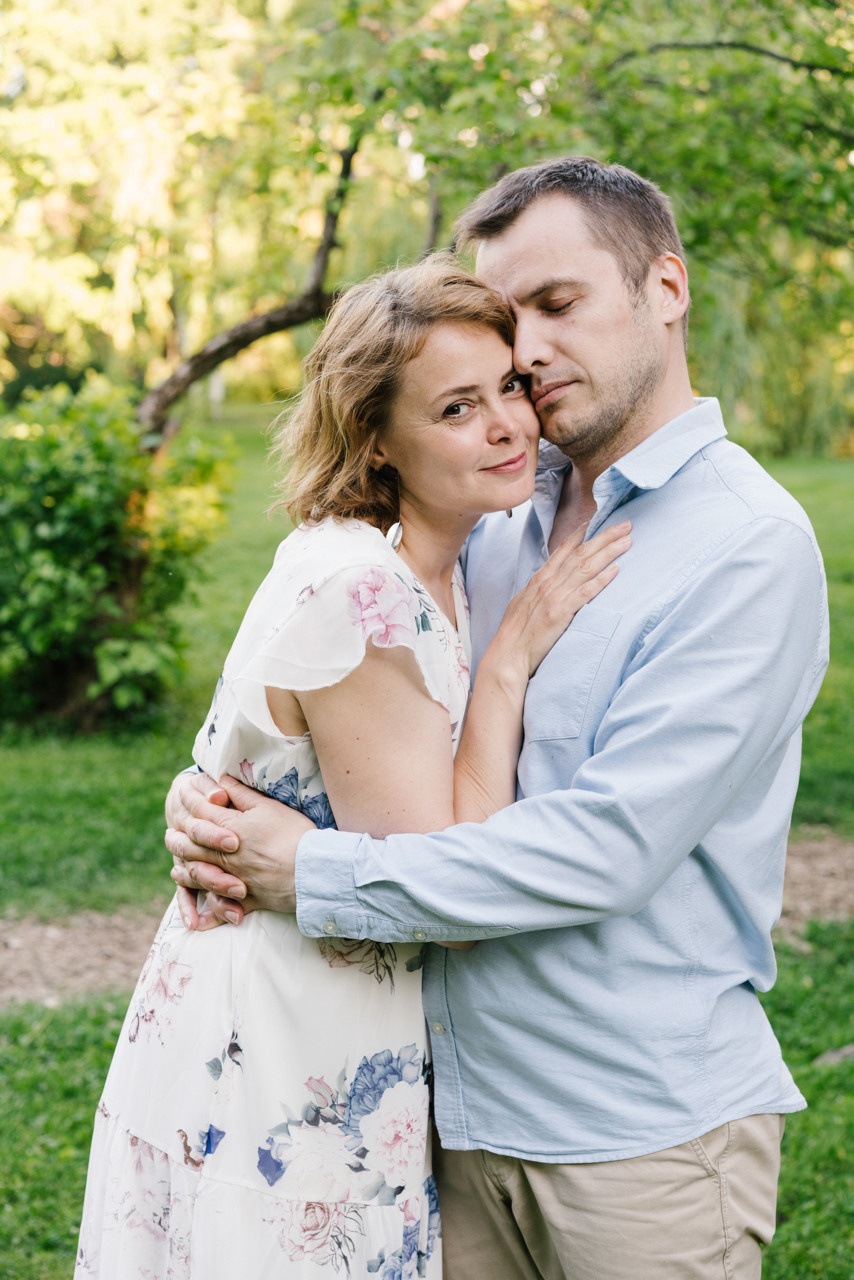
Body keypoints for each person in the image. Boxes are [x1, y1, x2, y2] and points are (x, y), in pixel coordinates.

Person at [166, 157, 830, 1280]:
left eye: (559, 304)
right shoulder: (491, 505)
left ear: (663, 289)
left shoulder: (745, 547)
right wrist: (219, 796)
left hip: (635, 1144)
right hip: (447, 1125)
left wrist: (312, 870)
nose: (522, 350)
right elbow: (364, 708)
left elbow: (603, 850)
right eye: (506, 314)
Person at [74, 254, 629, 1279]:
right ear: (374, 437)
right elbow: (439, 885)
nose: (506, 424)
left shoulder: (434, 555)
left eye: (507, 385)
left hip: (322, 1009)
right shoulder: (362, 591)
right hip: (286, 1038)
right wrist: (507, 663)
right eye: (455, 407)